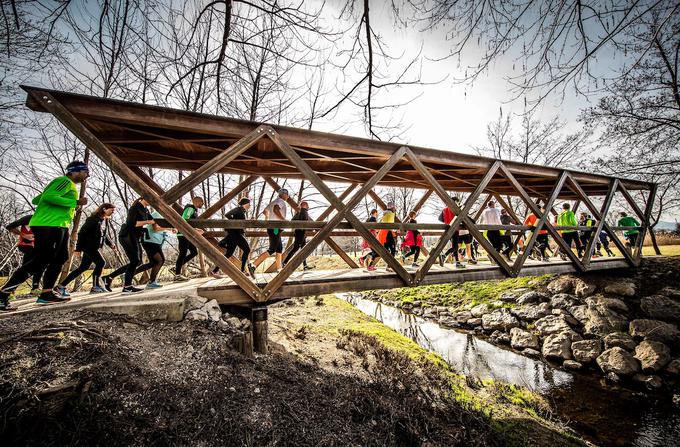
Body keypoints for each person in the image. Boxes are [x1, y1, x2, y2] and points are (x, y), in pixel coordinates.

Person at [0, 161, 89, 310]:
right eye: (85, 171)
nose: (87, 175)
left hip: (58, 225)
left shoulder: (65, 184)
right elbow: (48, 197)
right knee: (41, 260)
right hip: (48, 225)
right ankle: (3, 293)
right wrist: (75, 201)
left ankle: (46, 293)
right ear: (74, 171)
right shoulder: (64, 181)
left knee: (60, 258)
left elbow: (38, 199)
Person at [56, 203, 116, 296]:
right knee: (101, 263)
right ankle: (95, 287)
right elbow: (82, 233)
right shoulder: (93, 219)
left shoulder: (104, 220)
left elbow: (104, 234)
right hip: (88, 246)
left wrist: (110, 244)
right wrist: (78, 249)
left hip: (95, 247)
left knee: (83, 267)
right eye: (111, 210)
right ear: (104, 209)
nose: (113, 212)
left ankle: (61, 286)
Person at [102, 198, 155, 294]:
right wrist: (147, 222)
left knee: (137, 261)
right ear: (143, 198)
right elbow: (131, 223)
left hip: (135, 237)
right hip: (127, 236)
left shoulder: (145, 210)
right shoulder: (134, 208)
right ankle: (127, 287)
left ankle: (109, 277)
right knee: (135, 260)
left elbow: (154, 220)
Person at [251, 189, 289, 273]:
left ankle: (279, 269)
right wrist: (283, 220)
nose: (288, 196)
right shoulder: (281, 201)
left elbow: (264, 211)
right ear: (284, 194)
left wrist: (268, 220)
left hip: (273, 228)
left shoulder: (274, 201)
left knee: (279, 249)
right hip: (275, 228)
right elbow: (276, 210)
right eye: (287, 195)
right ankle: (253, 265)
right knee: (272, 249)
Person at [212, 197, 253, 276]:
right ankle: (242, 270)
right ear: (245, 204)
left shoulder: (242, 211)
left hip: (234, 235)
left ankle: (214, 271)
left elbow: (241, 222)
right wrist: (233, 222)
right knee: (247, 250)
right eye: (249, 204)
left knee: (228, 254)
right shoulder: (238, 209)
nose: (250, 206)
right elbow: (227, 214)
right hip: (236, 234)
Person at [5, 214, 43, 294]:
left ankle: (35, 288)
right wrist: (23, 234)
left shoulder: (46, 219)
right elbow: (9, 227)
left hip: (38, 246)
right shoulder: (28, 218)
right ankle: (10, 289)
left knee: (38, 265)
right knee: (31, 266)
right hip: (25, 245)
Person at [135, 209, 172, 289]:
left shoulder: (163, 215)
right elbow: (155, 228)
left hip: (155, 241)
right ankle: (151, 282)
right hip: (150, 240)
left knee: (153, 263)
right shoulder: (156, 214)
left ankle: (129, 274)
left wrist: (168, 231)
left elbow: (160, 229)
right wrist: (168, 228)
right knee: (160, 260)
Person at [173, 196, 204, 281]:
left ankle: (176, 268)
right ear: (197, 202)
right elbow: (184, 220)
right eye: (202, 202)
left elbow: (189, 222)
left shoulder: (193, 210)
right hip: (183, 234)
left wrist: (195, 229)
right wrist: (194, 230)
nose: (203, 204)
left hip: (188, 234)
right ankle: (177, 275)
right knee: (183, 253)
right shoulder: (190, 208)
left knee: (194, 252)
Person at [283, 201, 315, 271]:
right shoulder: (304, 212)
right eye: (307, 205)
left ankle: (305, 265)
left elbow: (292, 221)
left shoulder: (300, 213)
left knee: (303, 250)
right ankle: (284, 263)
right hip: (300, 233)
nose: (308, 207)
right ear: (304, 205)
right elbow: (307, 223)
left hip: (300, 233)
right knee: (295, 248)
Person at [368, 202, 398, 271]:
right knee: (392, 250)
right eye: (394, 207)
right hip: (387, 233)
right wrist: (394, 231)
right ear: (392, 207)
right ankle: (389, 266)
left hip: (383, 234)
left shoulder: (385, 214)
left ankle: (371, 265)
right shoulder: (390, 214)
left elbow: (382, 223)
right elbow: (389, 225)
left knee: (384, 251)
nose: (395, 209)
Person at [438, 196, 465, 268]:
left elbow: (439, 219)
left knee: (454, 246)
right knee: (455, 246)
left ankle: (457, 262)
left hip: (448, 229)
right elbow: (462, 217)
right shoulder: (455, 209)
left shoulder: (444, 209)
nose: (457, 203)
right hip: (455, 229)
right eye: (457, 201)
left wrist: (446, 222)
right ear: (454, 201)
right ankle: (444, 255)